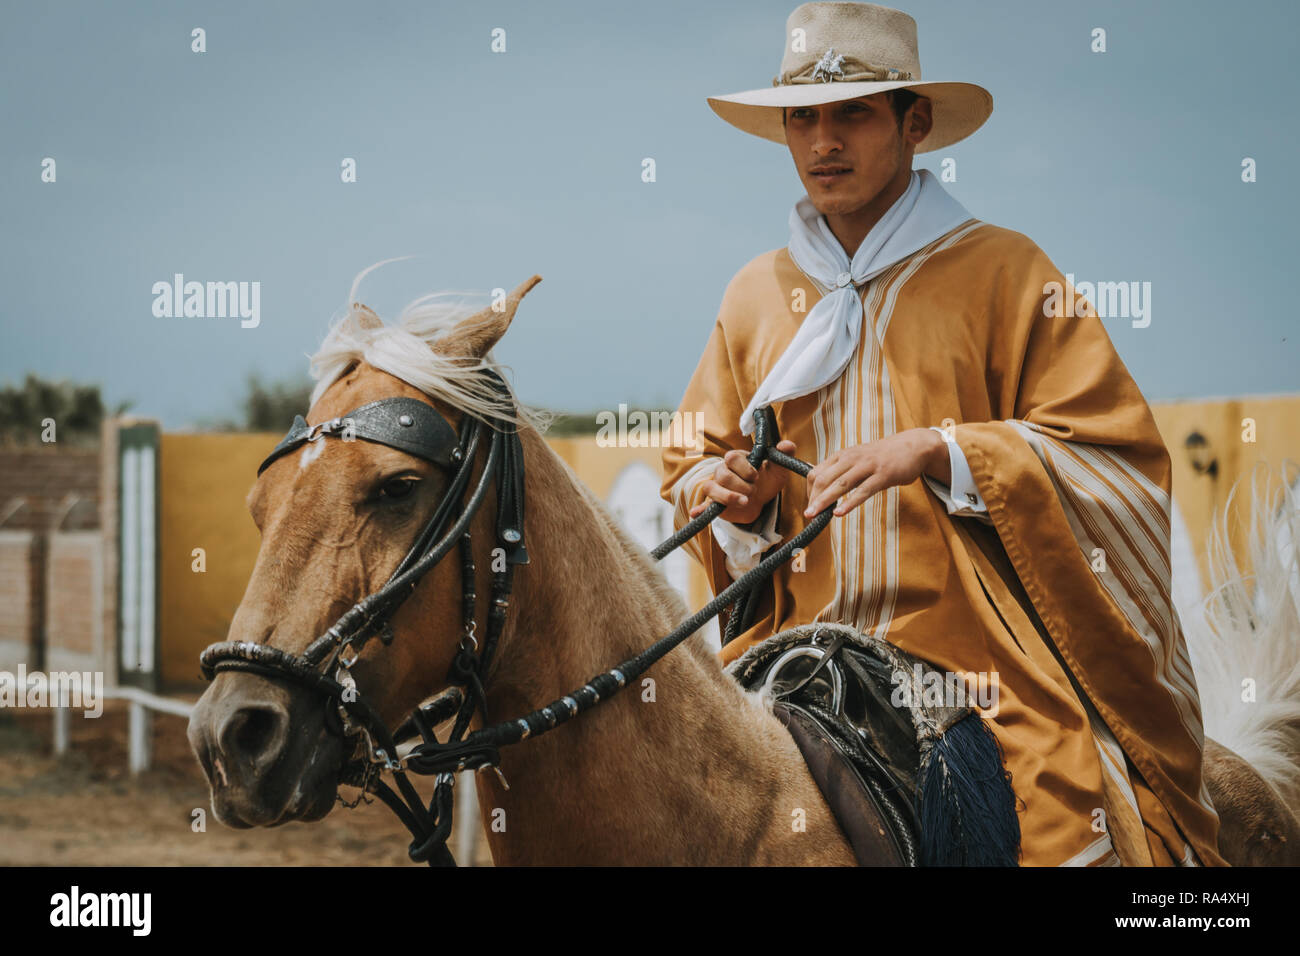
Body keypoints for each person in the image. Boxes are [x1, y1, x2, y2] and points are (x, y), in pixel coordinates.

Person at [659, 1, 1224, 866]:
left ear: (914, 121)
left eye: (853, 113)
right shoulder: (754, 294)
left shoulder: (1008, 271)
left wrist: (946, 451)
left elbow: (1118, 464)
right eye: (802, 118)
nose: (823, 142)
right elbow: (692, 470)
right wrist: (735, 501)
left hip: (980, 669)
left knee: (1068, 837)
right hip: (787, 653)